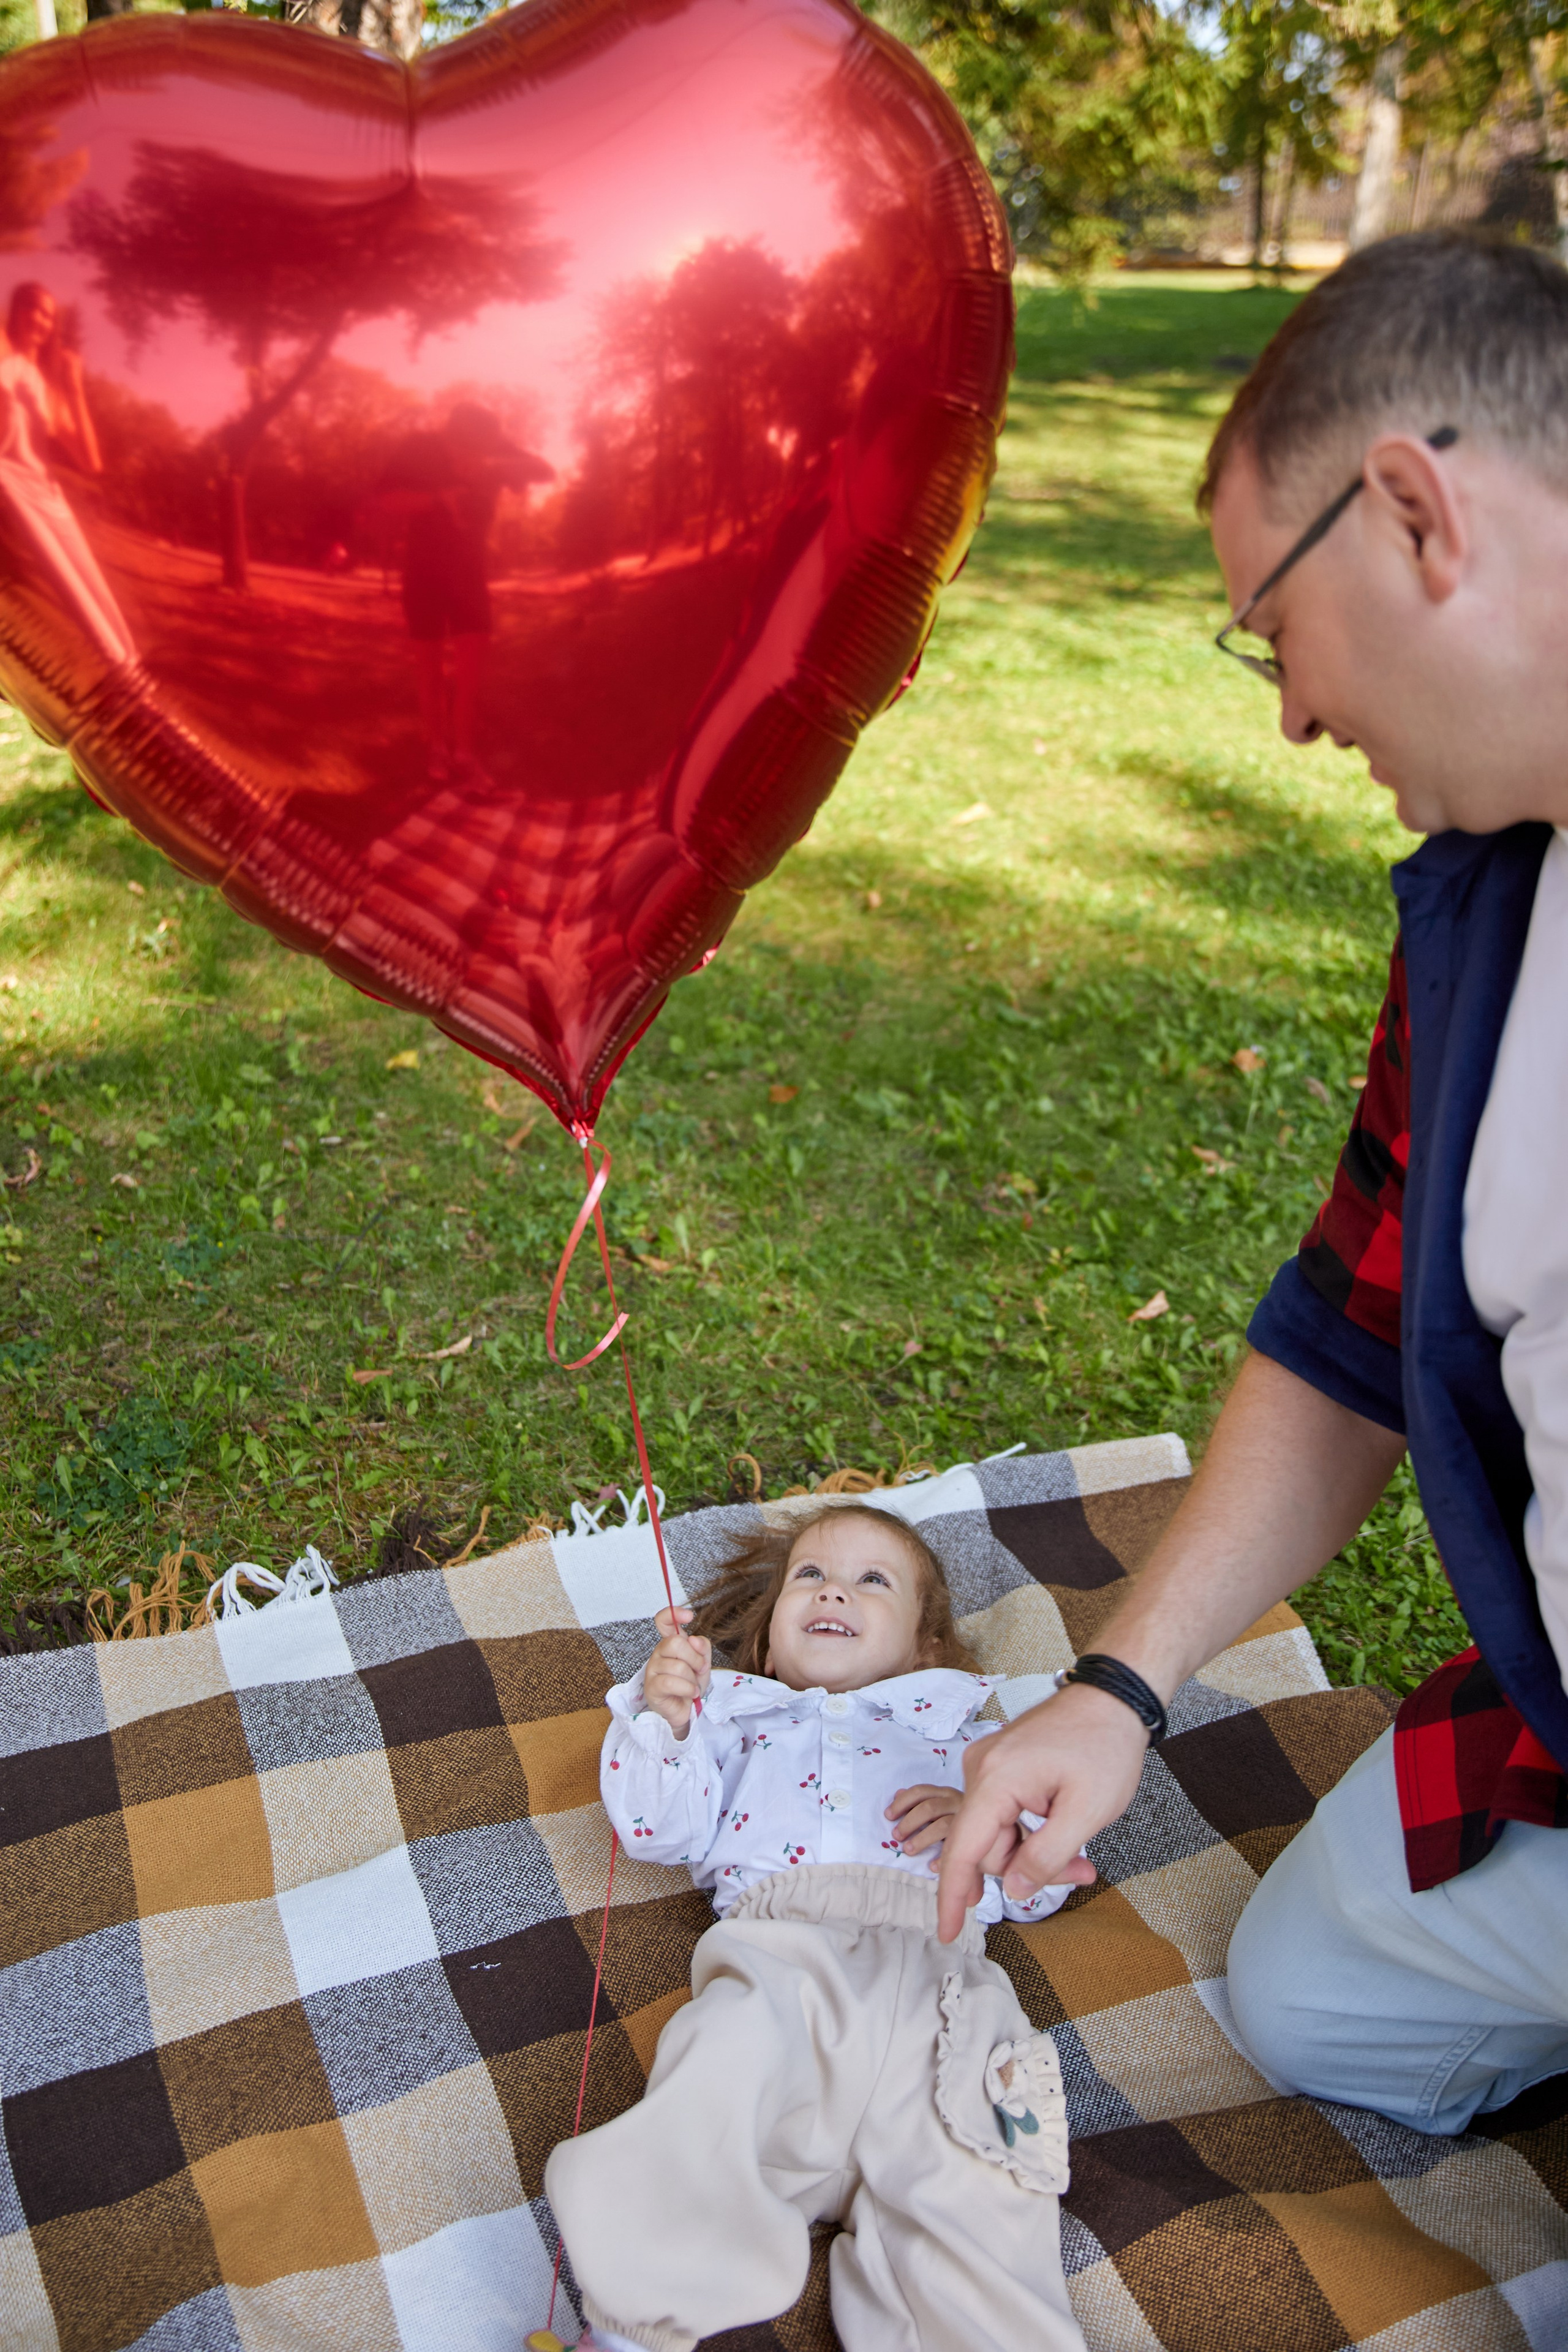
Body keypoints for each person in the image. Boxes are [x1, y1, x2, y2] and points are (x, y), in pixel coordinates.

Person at [937, 228, 1568, 2139]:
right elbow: (1350, 1342)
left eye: (1271, 627)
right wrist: (1116, 1690)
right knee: (1314, 1999)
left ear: (1413, 515)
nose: (1287, 714)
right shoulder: (1483, 915)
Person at [542, 1501, 1087, 2352]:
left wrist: (998, 1828)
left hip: (941, 2000)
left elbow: (1035, 1889)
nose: (835, 1591)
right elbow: (655, 1830)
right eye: (811, 1575)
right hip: (781, 1971)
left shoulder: (972, 1740)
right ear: (766, 1650)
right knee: (705, 2106)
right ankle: (633, 2332)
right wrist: (667, 1722)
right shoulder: (737, 1723)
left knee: (979, 2208)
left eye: (872, 1580)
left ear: (926, 1649)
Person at [378, 401, 552, 782]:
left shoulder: (493, 448)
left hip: (469, 572)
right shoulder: (420, 448)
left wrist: (494, 465)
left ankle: (465, 755)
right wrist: (438, 499)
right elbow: (387, 500)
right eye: (459, 450)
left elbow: (545, 471)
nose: (463, 458)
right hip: (423, 570)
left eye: (474, 451)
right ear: (448, 437)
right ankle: (437, 750)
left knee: (470, 670)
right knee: (429, 667)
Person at [0, 279, 135, 669]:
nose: (41, 320)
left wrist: (75, 389)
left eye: (49, 316)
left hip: (49, 498)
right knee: (72, 592)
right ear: (16, 311)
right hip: (12, 489)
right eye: (34, 308)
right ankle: (122, 675)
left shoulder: (49, 391)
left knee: (96, 591)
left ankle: (132, 674)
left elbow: (91, 463)